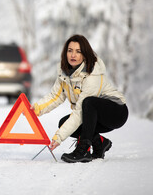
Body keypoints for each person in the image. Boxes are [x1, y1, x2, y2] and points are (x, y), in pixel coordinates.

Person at [30, 34, 128, 163]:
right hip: (92, 113)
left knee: (88, 103)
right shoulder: (65, 73)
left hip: (115, 112)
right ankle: (99, 143)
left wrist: (59, 137)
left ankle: (84, 150)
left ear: (85, 54)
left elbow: (80, 112)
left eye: (78, 51)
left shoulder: (92, 74)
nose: (73, 55)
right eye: (70, 51)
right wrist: (36, 109)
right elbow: (56, 96)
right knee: (64, 122)